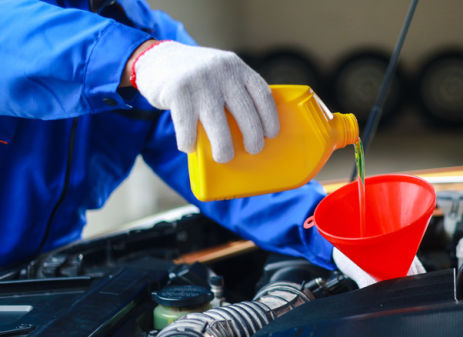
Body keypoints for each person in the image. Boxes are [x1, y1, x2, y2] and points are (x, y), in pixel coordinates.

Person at [0, 0, 422, 287]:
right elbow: (16, 39)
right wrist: (135, 59)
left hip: (36, 281)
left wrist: (329, 234)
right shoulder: (145, 49)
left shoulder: (151, 33)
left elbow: (234, 166)